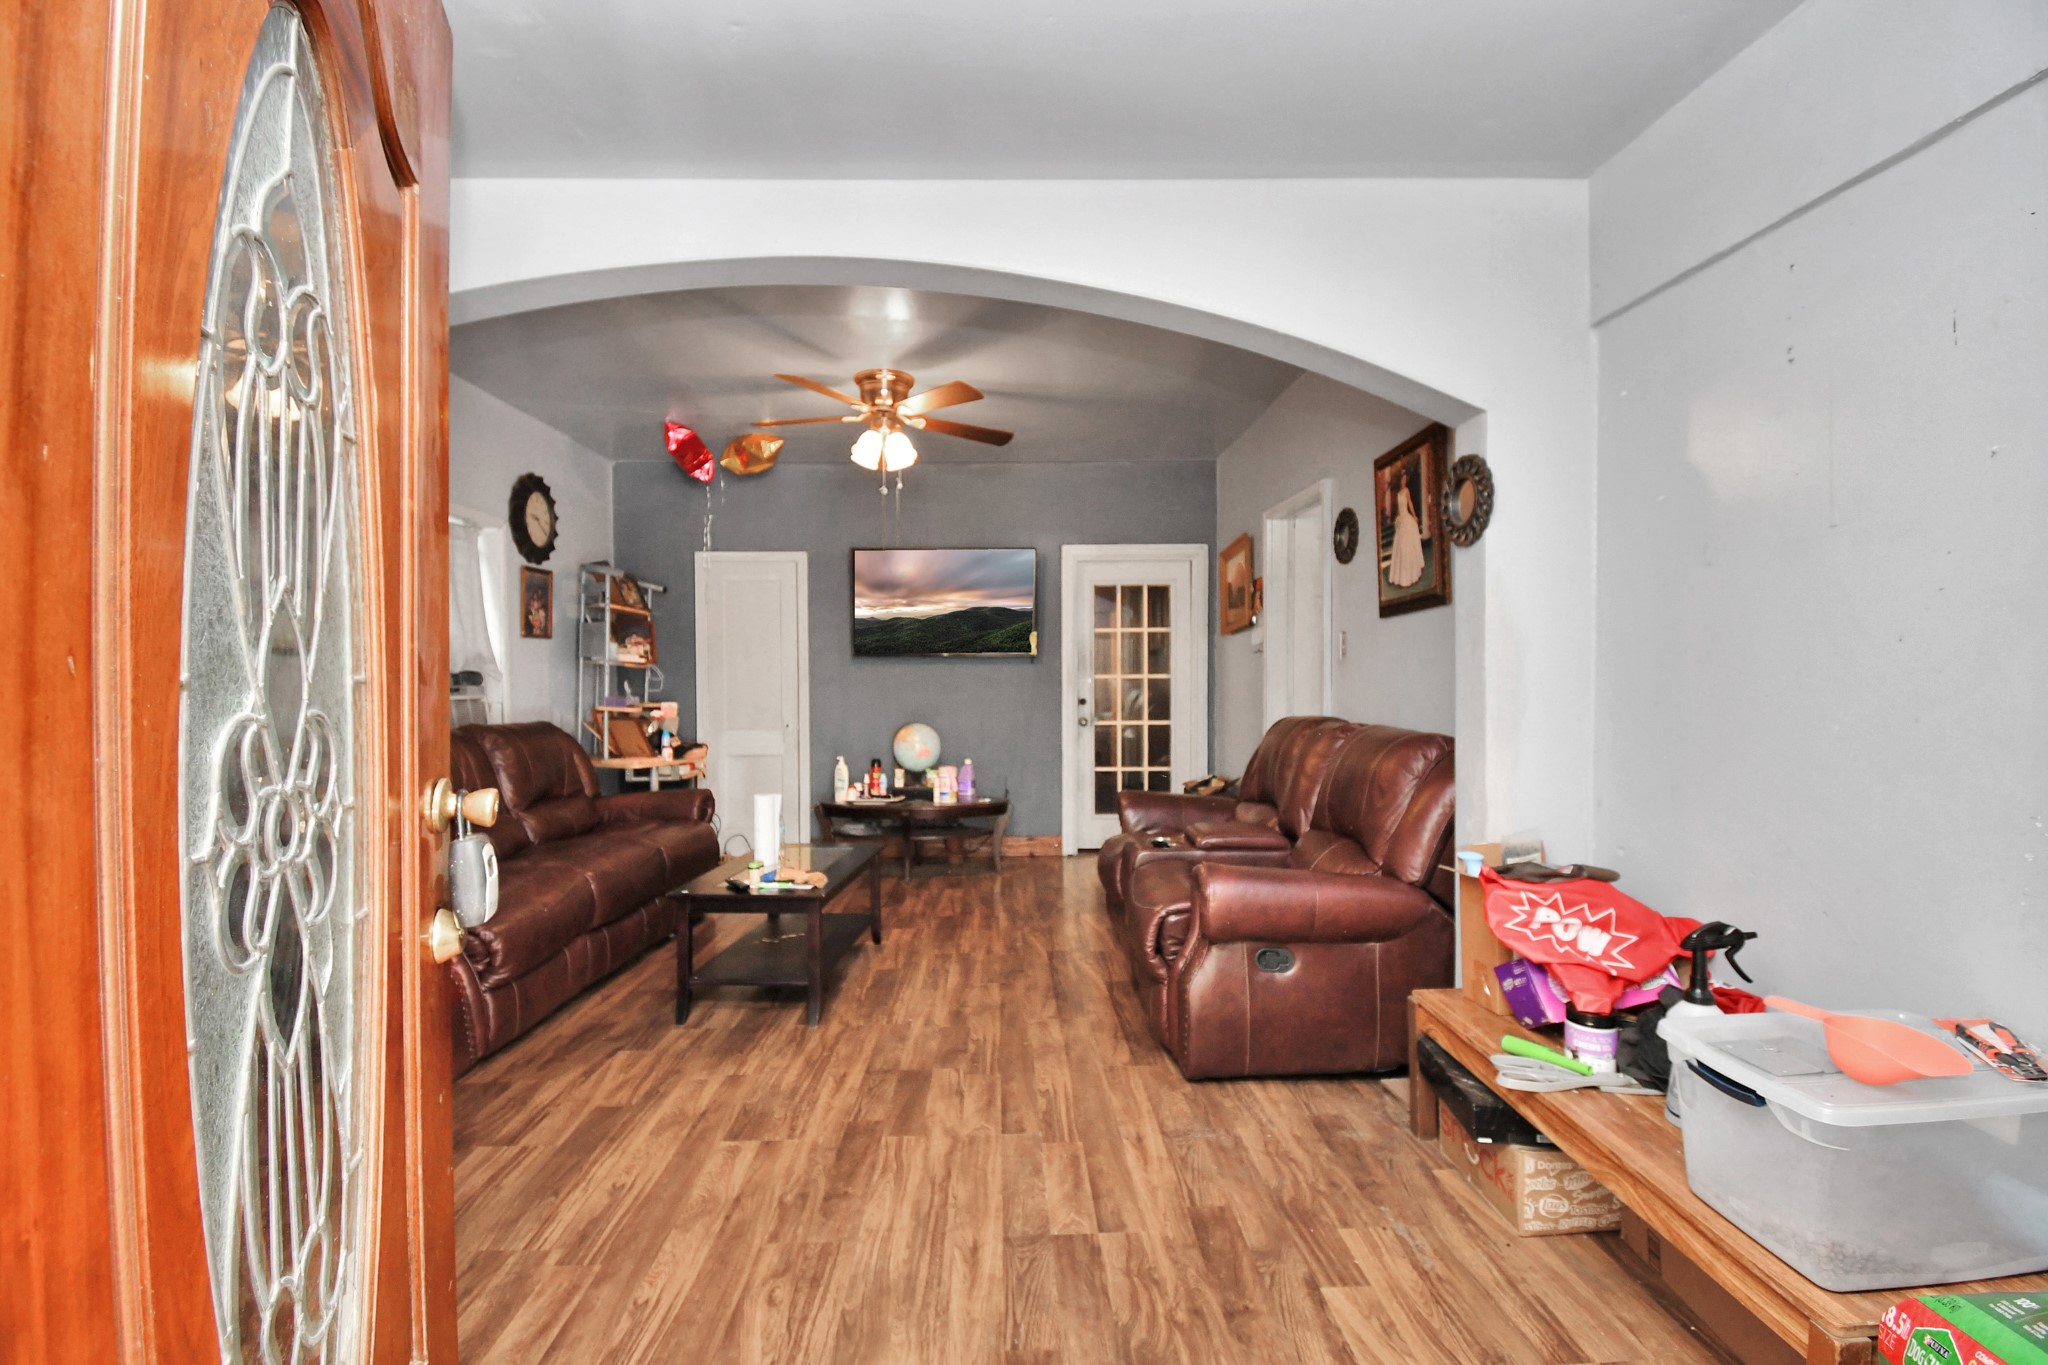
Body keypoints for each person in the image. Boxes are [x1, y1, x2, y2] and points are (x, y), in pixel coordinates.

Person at [1388, 465, 1426, 588]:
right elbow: (1399, 509)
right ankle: (1402, 578)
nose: (1404, 481)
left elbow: (1410, 503)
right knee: (1401, 547)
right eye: (1402, 479)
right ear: (1400, 480)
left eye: (1405, 479)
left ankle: (1413, 573)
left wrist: (1414, 516)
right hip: (1402, 519)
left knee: (1409, 545)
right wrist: (1397, 519)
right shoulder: (1398, 493)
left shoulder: (1406, 491)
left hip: (1407, 519)